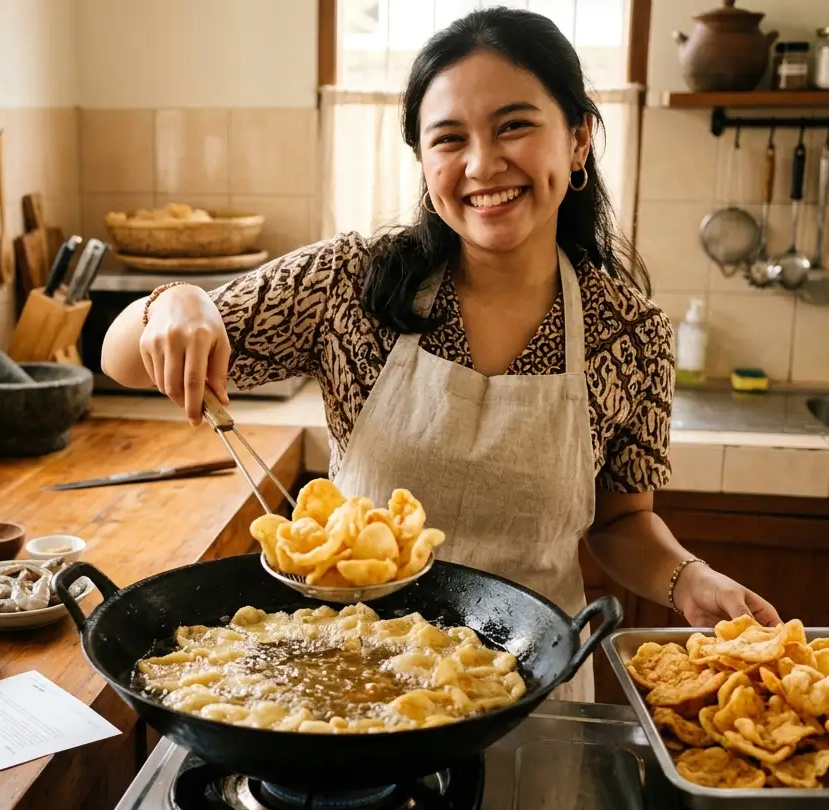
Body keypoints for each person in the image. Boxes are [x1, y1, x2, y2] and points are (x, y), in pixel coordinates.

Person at [101, 7, 780, 700]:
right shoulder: (350, 284)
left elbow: (621, 523)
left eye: (513, 125)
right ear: (424, 162)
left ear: (577, 139)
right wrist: (174, 302)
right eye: (449, 138)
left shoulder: (627, 333)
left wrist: (686, 576)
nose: (482, 164)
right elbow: (121, 359)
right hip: (344, 681)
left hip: (526, 688)